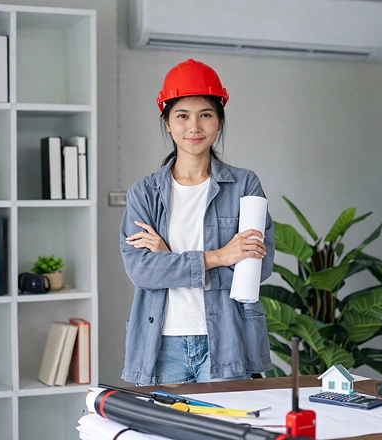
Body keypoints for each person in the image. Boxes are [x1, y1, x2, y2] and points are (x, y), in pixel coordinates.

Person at [119, 58, 275, 386]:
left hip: (228, 339)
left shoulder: (245, 185)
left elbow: (256, 270)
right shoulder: (144, 193)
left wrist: (168, 259)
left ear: (219, 121)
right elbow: (142, 271)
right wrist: (220, 256)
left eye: (205, 114)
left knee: (226, 433)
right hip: (162, 343)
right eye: (182, 116)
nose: (194, 127)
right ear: (167, 122)